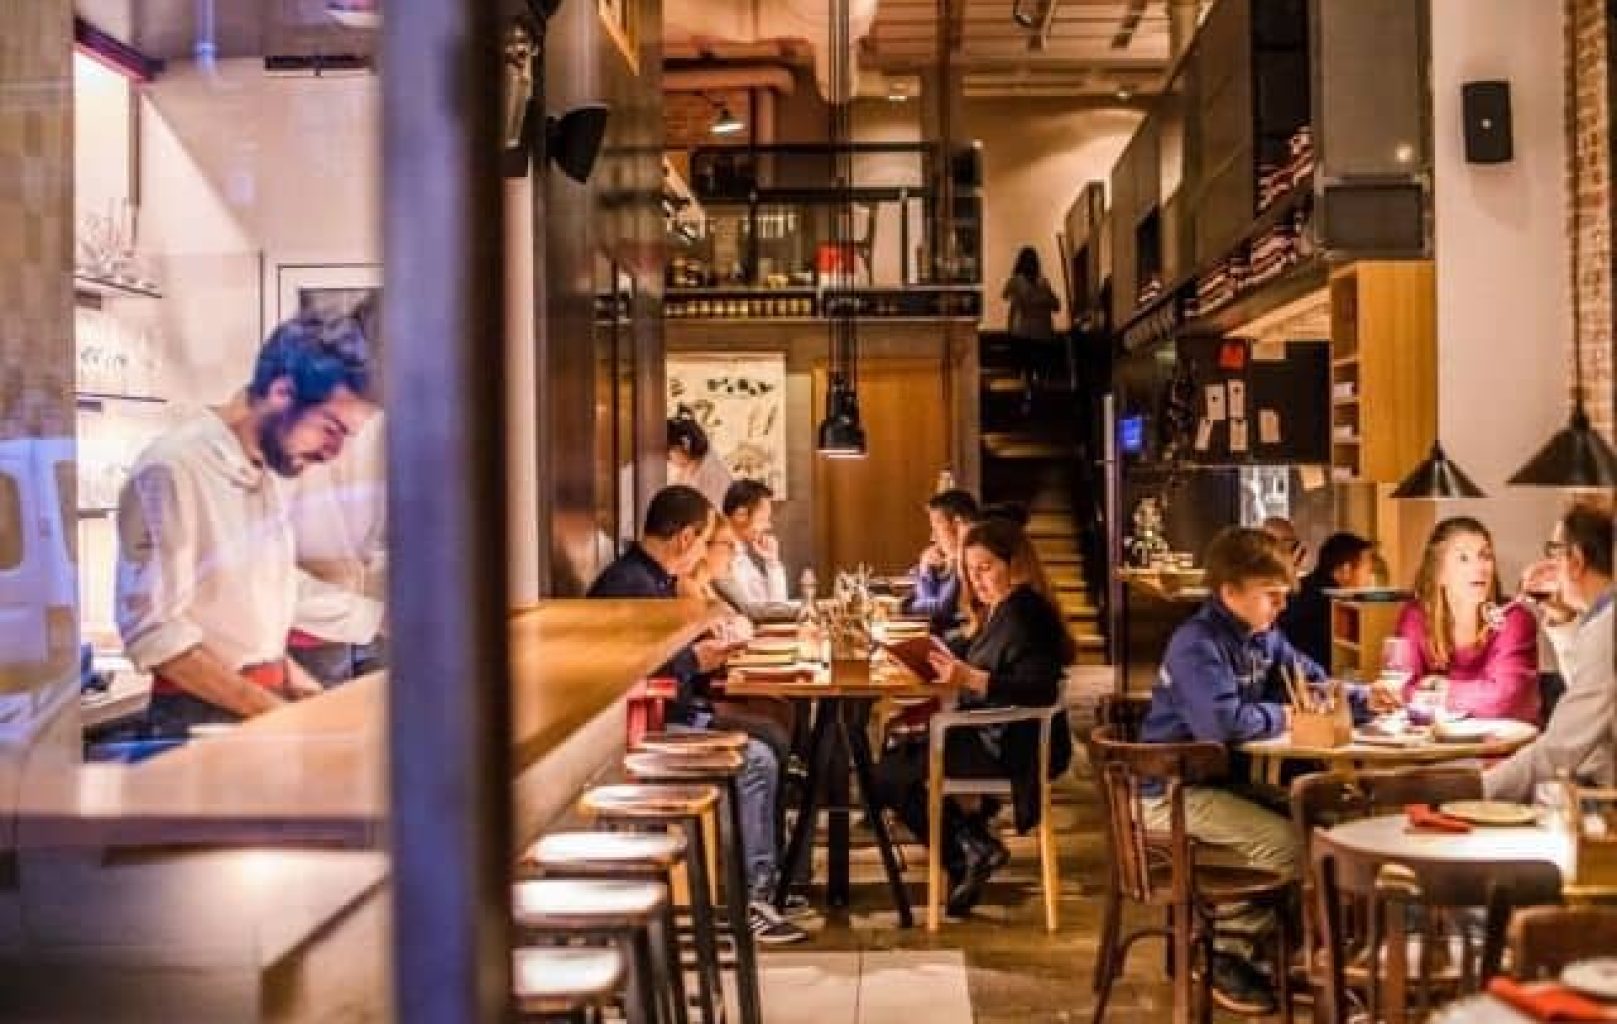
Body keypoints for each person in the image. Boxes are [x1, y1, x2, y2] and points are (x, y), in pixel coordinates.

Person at [1139, 527, 1392, 1014]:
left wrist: (1361, 697)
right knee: (1290, 844)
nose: (1280, 608)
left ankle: (1301, 953)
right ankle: (1227, 954)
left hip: (1218, 785)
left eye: (1283, 596)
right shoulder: (1197, 644)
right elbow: (1223, 723)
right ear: (1229, 592)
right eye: (1271, 596)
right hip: (1167, 793)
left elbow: (1310, 681)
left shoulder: (1264, 637)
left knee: (1328, 822)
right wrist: (1289, 716)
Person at [115, 315, 384, 737]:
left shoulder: (265, 471)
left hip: (252, 704)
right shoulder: (173, 468)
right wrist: (274, 713)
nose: (334, 453)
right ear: (282, 393)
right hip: (197, 717)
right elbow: (158, 636)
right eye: (331, 429)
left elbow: (261, 593)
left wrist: (295, 680)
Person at [587, 485, 806, 945]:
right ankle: (753, 899)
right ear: (686, 539)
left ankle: (769, 881)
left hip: (673, 712)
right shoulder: (632, 587)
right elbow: (632, 675)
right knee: (759, 757)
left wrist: (705, 654)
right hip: (648, 727)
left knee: (774, 732)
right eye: (706, 541)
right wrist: (699, 660)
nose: (706, 553)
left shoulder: (653, 580)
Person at [874, 517, 1075, 918]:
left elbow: (1040, 689)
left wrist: (969, 678)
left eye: (985, 569)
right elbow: (968, 649)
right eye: (970, 571)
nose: (977, 581)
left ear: (1014, 563)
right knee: (896, 762)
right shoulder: (1001, 609)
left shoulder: (1026, 613)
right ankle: (973, 846)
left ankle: (967, 851)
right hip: (996, 734)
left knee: (886, 775)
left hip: (1017, 745)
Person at [285, 299, 387, 686]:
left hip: (360, 630)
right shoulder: (289, 429)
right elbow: (260, 575)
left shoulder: (377, 420)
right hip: (305, 637)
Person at [1486, 501, 1615, 801]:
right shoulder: (1601, 618)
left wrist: (1476, 787)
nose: (1549, 565)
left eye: (1555, 552)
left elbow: (1561, 749)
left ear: (1577, 560)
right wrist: (1560, 617)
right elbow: (1586, 691)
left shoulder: (1607, 626)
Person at [1387, 517, 1540, 725]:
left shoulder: (1514, 619)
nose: (1479, 567)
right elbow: (1398, 690)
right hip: (1436, 748)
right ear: (1438, 572)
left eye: (1485, 556)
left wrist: (1441, 688)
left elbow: (1504, 700)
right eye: (1464, 558)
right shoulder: (1416, 617)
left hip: (1506, 748)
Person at [1276, 531, 1375, 666]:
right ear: (1346, 570)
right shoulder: (1332, 605)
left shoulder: (1302, 586)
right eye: (1368, 569)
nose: (1370, 577)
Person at [717, 479, 796, 622]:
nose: (768, 526)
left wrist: (772, 562)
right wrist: (811, 608)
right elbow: (752, 611)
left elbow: (775, 606)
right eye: (763, 519)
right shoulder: (718, 554)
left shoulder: (741, 554)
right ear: (741, 515)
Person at [903, 488, 980, 634]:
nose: (932, 537)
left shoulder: (968, 556)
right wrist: (924, 570)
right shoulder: (955, 556)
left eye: (936, 528)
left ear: (957, 524)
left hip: (961, 638)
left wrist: (902, 606)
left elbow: (941, 608)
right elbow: (930, 598)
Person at [667, 409, 733, 509]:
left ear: (684, 446)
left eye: (668, 453)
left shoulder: (714, 475)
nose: (669, 460)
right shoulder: (688, 470)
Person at [1003, 246, 1059, 342]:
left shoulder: (1017, 281)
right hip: (1041, 330)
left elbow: (1006, 296)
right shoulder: (1043, 282)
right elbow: (1056, 306)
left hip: (1025, 331)